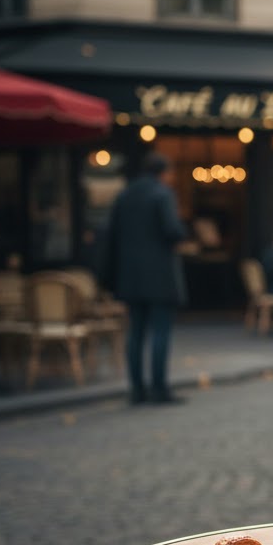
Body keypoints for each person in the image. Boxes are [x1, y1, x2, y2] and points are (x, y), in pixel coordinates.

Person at [98, 150, 187, 404]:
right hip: (159, 276)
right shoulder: (162, 194)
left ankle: (137, 389)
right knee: (160, 332)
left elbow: (111, 235)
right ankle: (159, 388)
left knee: (135, 333)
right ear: (163, 172)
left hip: (130, 277)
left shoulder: (124, 195)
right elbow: (173, 231)